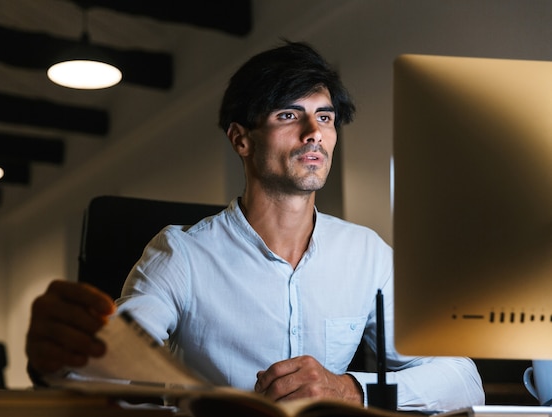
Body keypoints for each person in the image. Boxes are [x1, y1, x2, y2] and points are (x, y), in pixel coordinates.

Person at [25, 41, 484, 410]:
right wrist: (63, 355)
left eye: (324, 117)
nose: (313, 133)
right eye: (289, 114)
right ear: (241, 139)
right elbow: (106, 367)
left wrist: (349, 389)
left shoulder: (366, 253)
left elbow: (462, 378)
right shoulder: (180, 254)